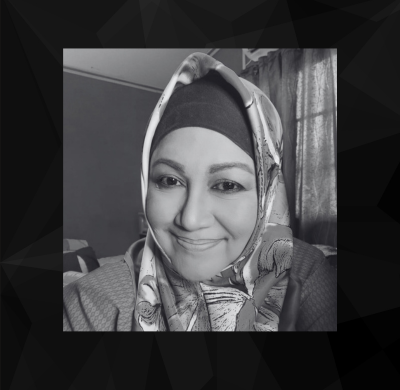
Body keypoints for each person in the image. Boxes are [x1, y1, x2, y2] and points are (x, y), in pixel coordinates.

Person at [64, 52, 333, 331]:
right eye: (169, 180)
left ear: (269, 195)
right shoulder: (93, 303)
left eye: (227, 185)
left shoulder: (306, 273)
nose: (190, 220)